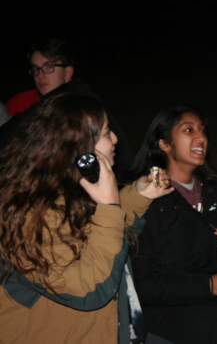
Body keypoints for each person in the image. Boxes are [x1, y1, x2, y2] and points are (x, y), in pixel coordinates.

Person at [0, 93, 174, 344]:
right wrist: (109, 204)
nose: (115, 138)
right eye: (105, 132)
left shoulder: (66, 189)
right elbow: (91, 288)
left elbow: (96, 236)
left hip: (106, 330)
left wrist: (135, 196)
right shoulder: (30, 215)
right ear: (79, 146)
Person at [126, 105, 217, 344]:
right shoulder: (149, 200)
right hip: (161, 310)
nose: (201, 137)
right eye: (188, 130)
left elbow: (208, 260)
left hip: (204, 304)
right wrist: (207, 286)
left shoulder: (213, 192)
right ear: (164, 144)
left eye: (203, 131)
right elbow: (142, 283)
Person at [1, 38, 131, 180]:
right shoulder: (27, 103)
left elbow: (120, 151)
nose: (40, 75)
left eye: (49, 66)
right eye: (35, 69)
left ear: (68, 72)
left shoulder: (81, 107)